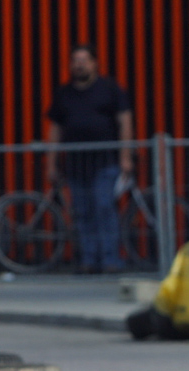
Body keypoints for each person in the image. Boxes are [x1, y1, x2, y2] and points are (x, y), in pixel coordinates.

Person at [46, 43, 133, 274]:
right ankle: (88, 260)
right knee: (82, 211)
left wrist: (125, 156)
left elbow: (125, 121)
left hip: (105, 161)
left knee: (103, 207)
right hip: (75, 164)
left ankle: (111, 259)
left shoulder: (109, 89)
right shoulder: (64, 94)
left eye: (84, 60)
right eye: (76, 60)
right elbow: (55, 129)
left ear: (95, 64)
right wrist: (51, 163)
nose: (80, 65)